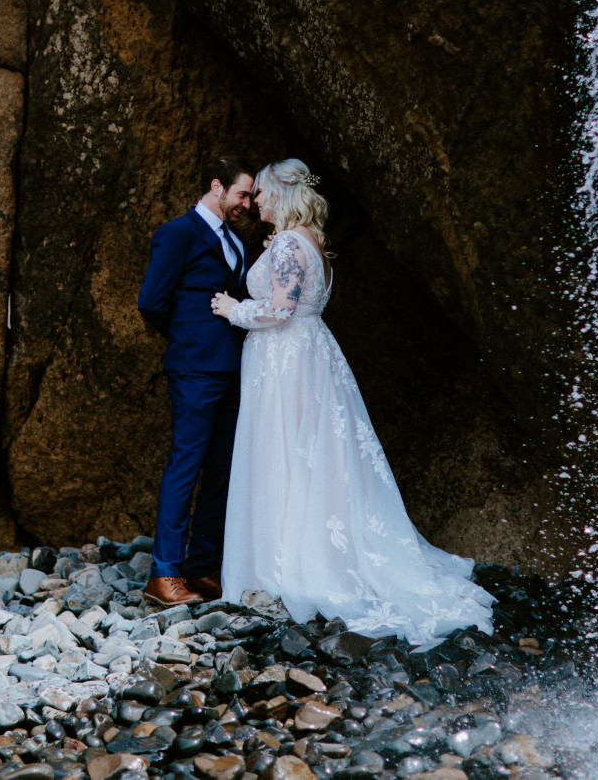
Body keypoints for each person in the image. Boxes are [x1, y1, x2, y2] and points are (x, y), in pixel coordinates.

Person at [212, 158, 494, 643]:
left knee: (286, 453)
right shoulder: (314, 243)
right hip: (307, 358)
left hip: (287, 362)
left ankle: (287, 568)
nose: (255, 200)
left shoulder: (287, 243)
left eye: (260, 192)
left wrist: (235, 309)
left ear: (280, 194)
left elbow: (280, 310)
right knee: (309, 456)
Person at [137, 156, 256, 606]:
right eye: (241, 193)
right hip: (193, 369)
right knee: (186, 465)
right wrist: (190, 335)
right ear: (216, 187)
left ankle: (202, 568)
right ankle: (162, 573)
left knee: (222, 470)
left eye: (249, 196)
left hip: (234, 369)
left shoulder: (238, 242)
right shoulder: (178, 233)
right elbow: (151, 302)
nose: (246, 203)